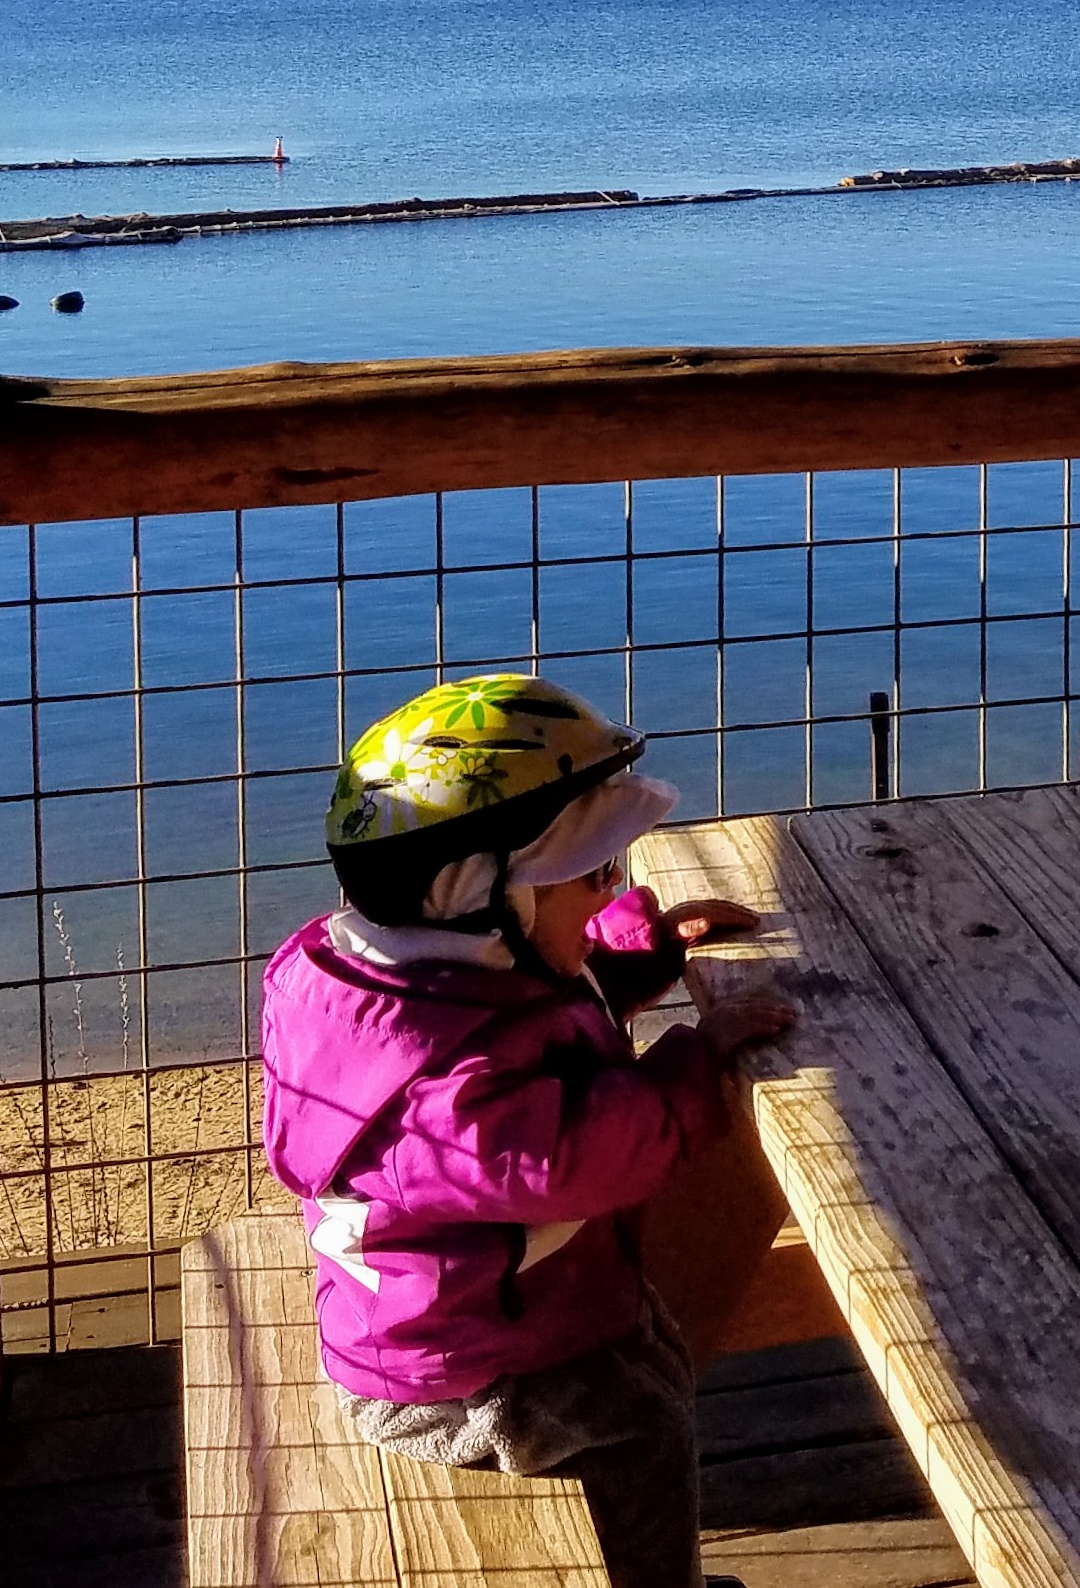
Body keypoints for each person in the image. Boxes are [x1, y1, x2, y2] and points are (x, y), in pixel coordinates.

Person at [260, 674, 796, 1588]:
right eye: (593, 875)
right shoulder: (436, 1084)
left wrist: (644, 948)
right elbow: (565, 1161)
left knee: (652, 1346)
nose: (610, 886)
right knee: (642, 1426)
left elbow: (552, 1014)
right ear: (479, 896)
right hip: (447, 1372)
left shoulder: (439, 975)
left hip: (489, 1311)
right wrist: (695, 1060)